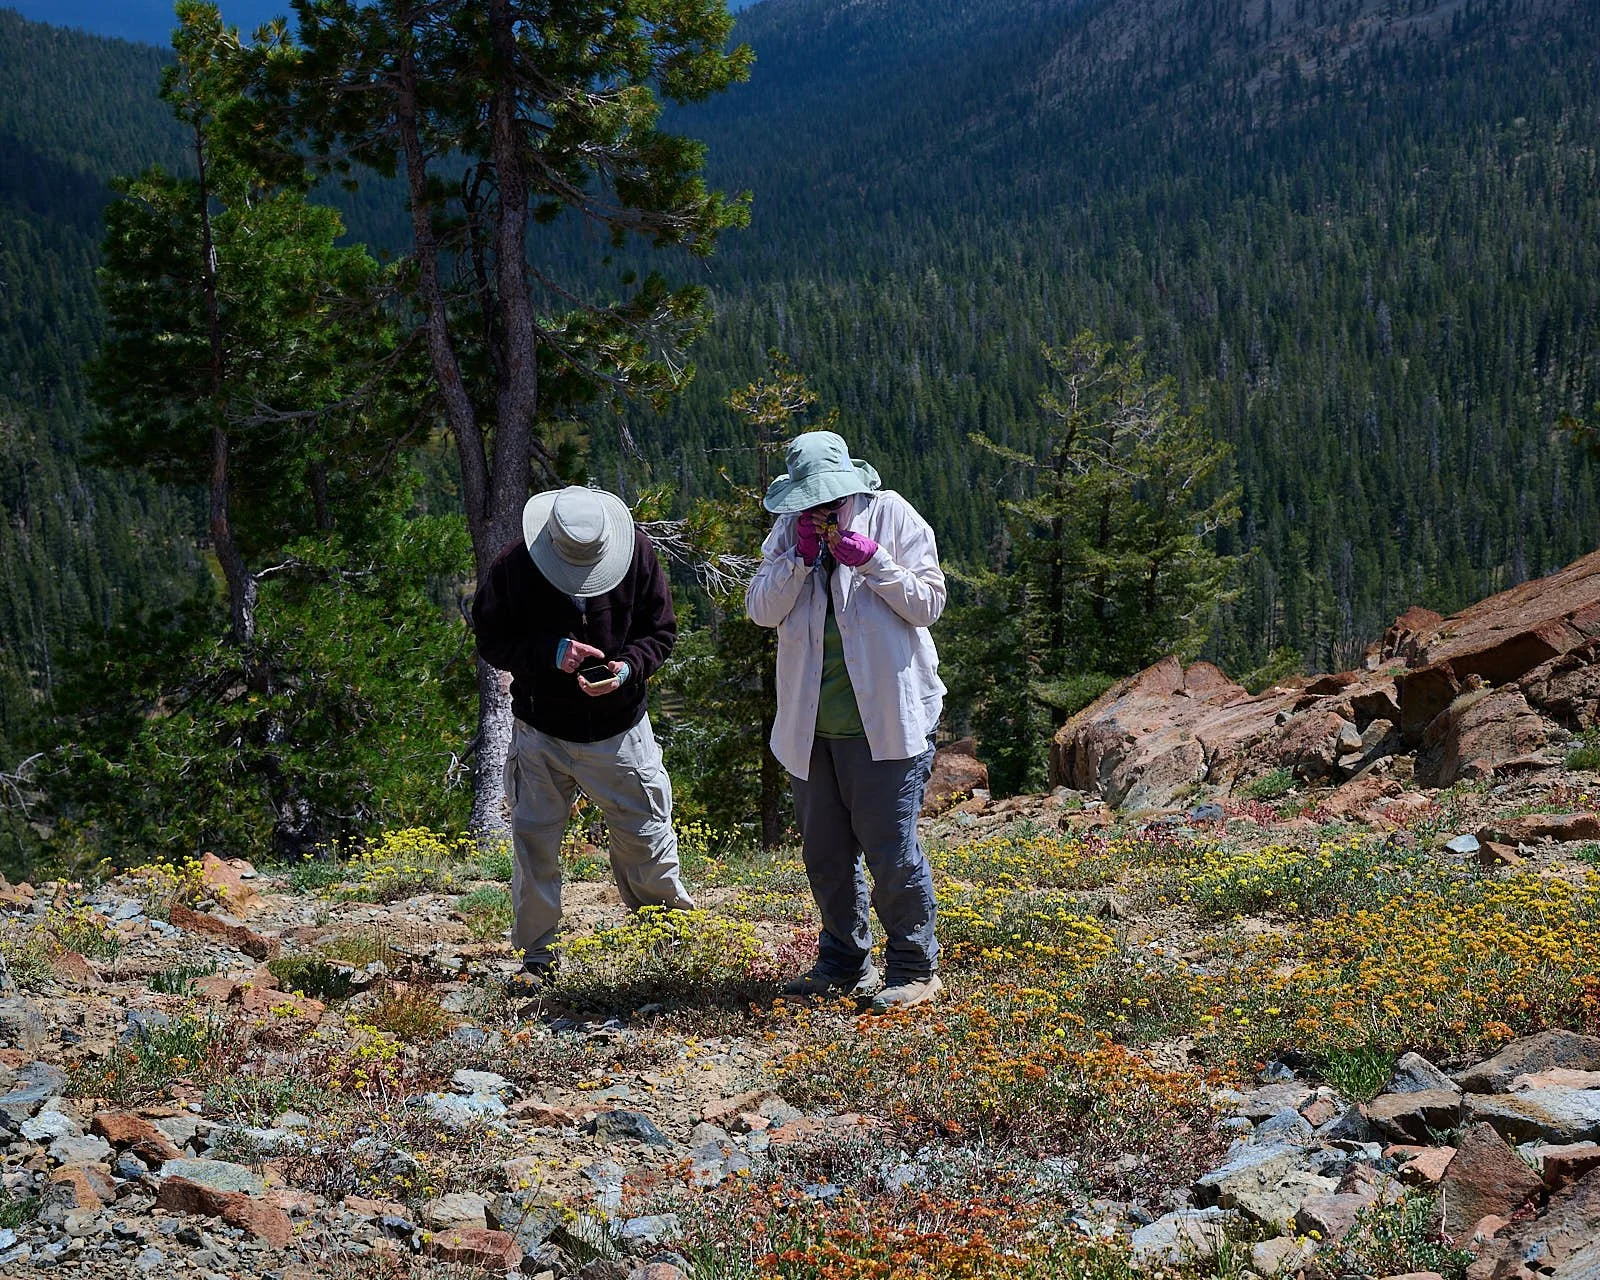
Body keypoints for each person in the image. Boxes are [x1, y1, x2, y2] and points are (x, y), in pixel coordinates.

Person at [746, 431, 946, 1011]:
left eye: (828, 502)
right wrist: (799, 560)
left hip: (886, 722)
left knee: (890, 849)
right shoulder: (787, 532)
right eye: (811, 503)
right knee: (826, 852)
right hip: (811, 727)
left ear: (850, 488)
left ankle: (913, 966)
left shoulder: (894, 516)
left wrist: (874, 562)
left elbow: (929, 603)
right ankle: (842, 963)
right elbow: (762, 610)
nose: (821, 511)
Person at [472, 485, 693, 993]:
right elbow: (490, 639)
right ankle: (537, 958)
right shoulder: (513, 564)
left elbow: (660, 630)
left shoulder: (636, 551)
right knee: (535, 845)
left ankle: (668, 943)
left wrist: (628, 669)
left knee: (647, 835)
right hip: (540, 729)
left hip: (619, 729)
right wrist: (550, 654)